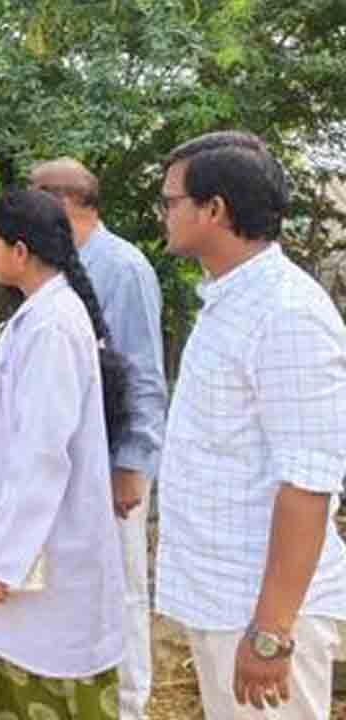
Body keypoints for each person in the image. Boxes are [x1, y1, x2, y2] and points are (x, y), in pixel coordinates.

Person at [154, 130, 346, 718]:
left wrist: (271, 632)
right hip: (221, 593)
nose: (163, 213)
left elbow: (308, 483)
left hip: (258, 610)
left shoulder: (286, 313)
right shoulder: (229, 299)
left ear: (214, 210)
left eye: (170, 201)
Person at [0, 189, 129, 720]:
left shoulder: (52, 327)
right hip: (13, 539)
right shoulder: (37, 316)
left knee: (38, 683)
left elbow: (42, 456)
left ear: (19, 251)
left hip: (38, 553)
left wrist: (2, 560)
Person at [30, 158, 168, 720]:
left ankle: (129, 704)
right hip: (66, 461)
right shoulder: (55, 266)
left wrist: (131, 464)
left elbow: (142, 372)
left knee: (124, 586)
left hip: (111, 461)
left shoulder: (123, 268)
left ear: (61, 202)